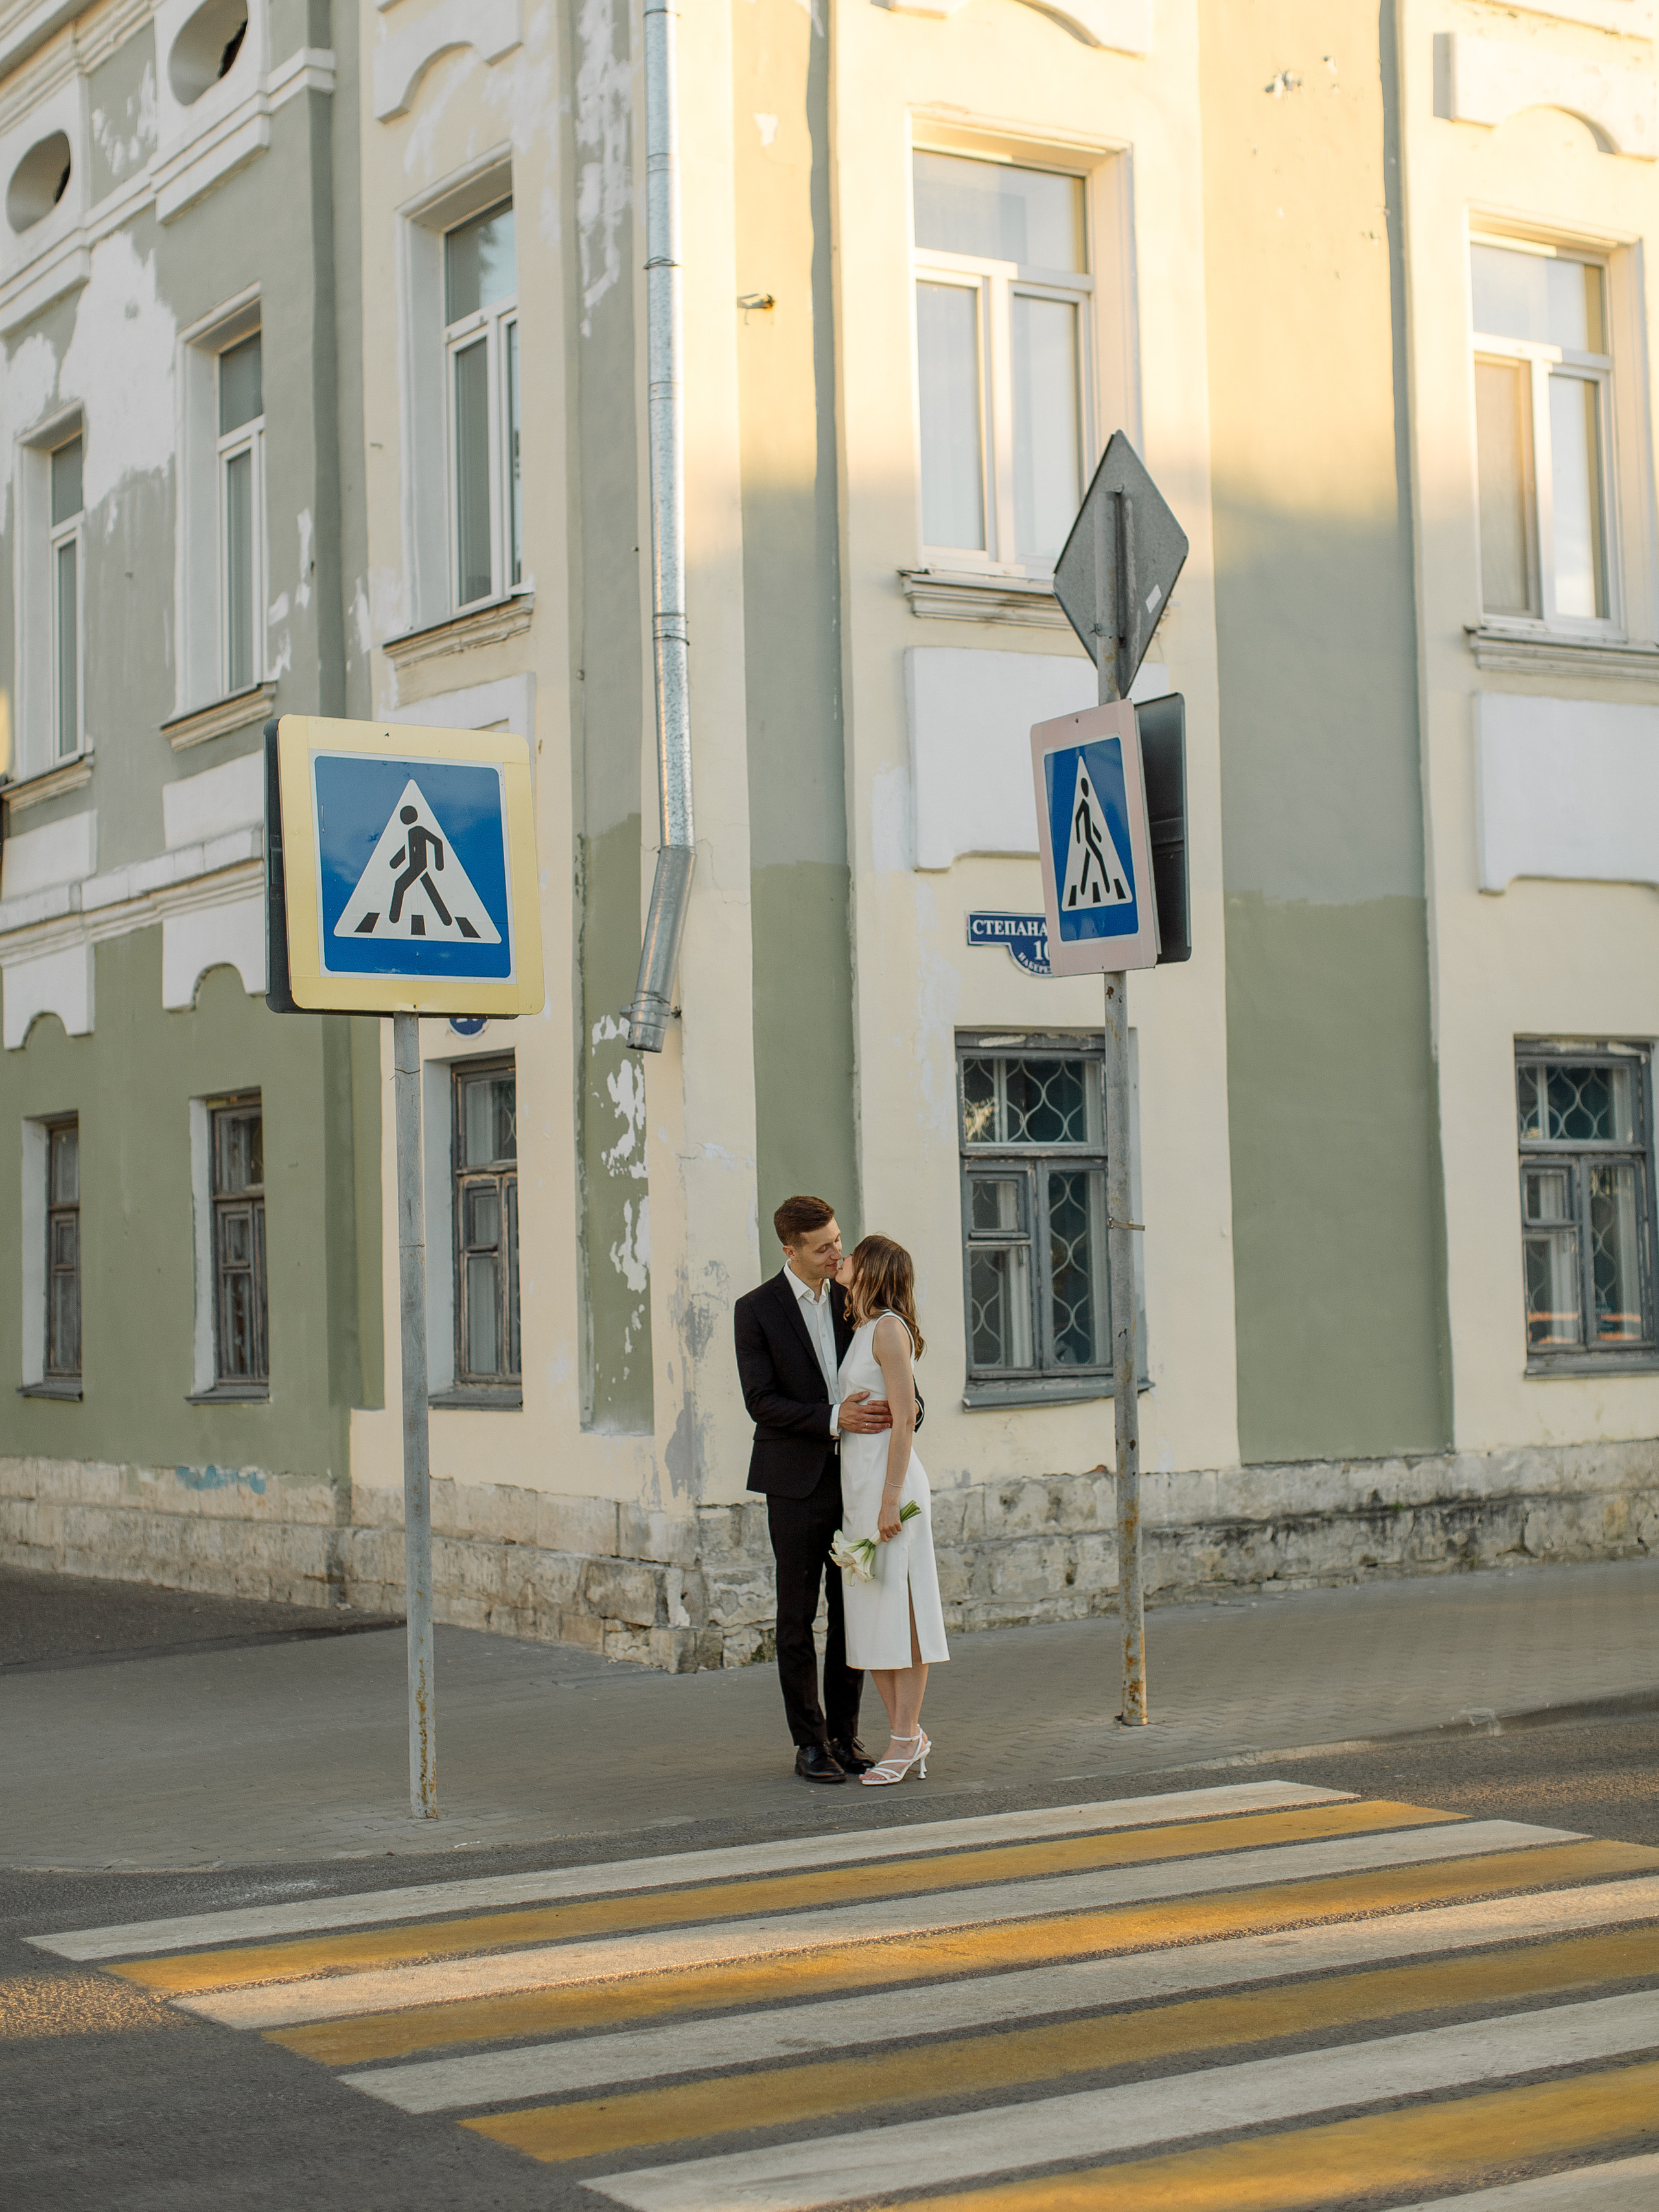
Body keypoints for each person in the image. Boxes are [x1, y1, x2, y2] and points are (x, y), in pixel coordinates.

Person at [734, 1197, 893, 1784]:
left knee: (852, 1612)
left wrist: (907, 1411)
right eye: (823, 1245)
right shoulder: (755, 1310)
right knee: (798, 1618)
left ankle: (845, 1736)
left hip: (856, 1479)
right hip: (794, 1483)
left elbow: (892, 1364)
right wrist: (833, 1418)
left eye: (838, 1239)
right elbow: (761, 1402)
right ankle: (809, 1743)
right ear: (790, 1249)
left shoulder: (856, 1298)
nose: (837, 1252)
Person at [833, 1234, 949, 1784]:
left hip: (892, 1490)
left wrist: (889, 1496)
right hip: (860, 1490)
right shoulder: (860, 1327)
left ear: (871, 1267)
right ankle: (908, 1733)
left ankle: (904, 1738)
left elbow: (906, 1416)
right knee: (870, 1619)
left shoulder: (887, 1329)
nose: (841, 1259)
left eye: (850, 1252)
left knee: (904, 1611)